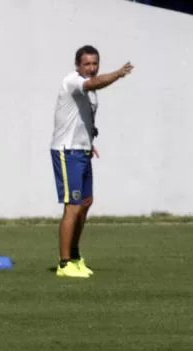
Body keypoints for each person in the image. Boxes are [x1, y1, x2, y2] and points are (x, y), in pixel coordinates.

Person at [51, 45, 133, 278]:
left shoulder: (90, 91)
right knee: (73, 206)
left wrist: (89, 142)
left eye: (95, 63)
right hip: (67, 152)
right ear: (78, 65)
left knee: (86, 202)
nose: (92, 68)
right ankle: (64, 263)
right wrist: (117, 74)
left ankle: (76, 257)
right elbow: (93, 83)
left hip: (82, 150)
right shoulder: (73, 80)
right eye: (87, 64)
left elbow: (80, 119)